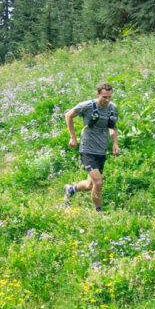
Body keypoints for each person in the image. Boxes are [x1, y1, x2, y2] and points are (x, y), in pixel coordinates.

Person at [63, 82, 119, 213]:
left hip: (102, 150)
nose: (107, 100)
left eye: (110, 97)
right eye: (104, 97)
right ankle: (98, 213)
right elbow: (68, 115)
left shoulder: (113, 108)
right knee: (98, 183)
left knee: (90, 185)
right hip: (87, 149)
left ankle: (70, 190)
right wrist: (73, 137)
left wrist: (115, 143)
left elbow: (113, 127)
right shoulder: (87, 106)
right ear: (97, 94)